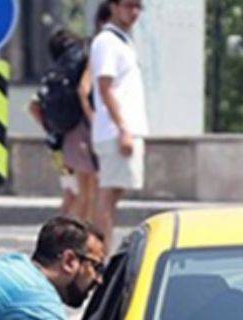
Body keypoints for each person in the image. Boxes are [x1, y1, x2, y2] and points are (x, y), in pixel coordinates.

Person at [91, 0, 148, 251]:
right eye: (128, 5)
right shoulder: (107, 41)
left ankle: (101, 253)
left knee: (114, 195)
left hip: (125, 129)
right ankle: (100, 256)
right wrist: (123, 128)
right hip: (117, 131)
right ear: (113, 6)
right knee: (108, 196)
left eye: (138, 6)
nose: (134, 12)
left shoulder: (123, 40)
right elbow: (105, 88)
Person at [28, 29, 98, 222]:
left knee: (70, 192)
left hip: (57, 145)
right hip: (77, 138)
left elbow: (33, 106)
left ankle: (59, 230)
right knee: (82, 192)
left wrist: (49, 127)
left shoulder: (54, 72)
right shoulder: (76, 67)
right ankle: (63, 233)